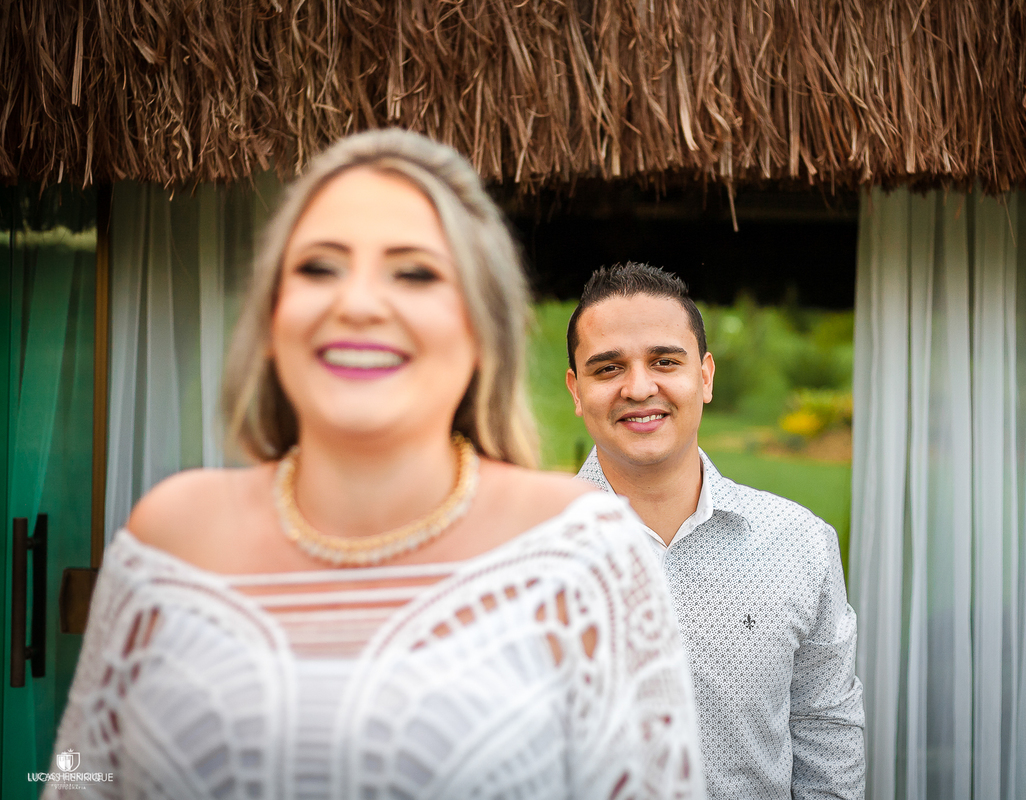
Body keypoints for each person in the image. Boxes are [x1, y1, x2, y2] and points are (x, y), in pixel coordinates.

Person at [48, 133, 703, 799]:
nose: (357, 303)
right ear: (274, 318)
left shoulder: (582, 553)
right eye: (318, 268)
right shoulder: (170, 535)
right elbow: (78, 779)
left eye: (414, 272)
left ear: (481, 328)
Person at [565, 262, 865, 800]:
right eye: (608, 368)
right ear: (576, 389)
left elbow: (828, 736)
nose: (639, 387)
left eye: (664, 361)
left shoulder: (800, 544)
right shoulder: (525, 552)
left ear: (705, 377)